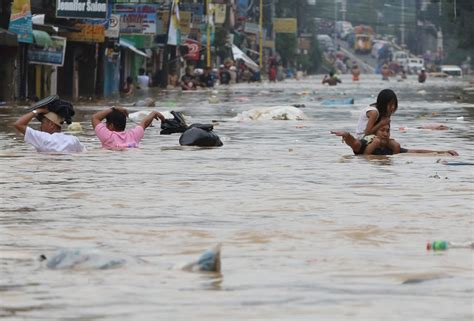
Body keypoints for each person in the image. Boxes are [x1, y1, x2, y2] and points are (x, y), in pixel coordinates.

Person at [331, 123, 458, 156]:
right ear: (375, 132)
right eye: (382, 130)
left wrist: (443, 151)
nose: (386, 134)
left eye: (388, 130)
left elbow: (415, 152)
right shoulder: (366, 143)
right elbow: (354, 143)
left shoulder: (390, 147)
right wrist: (346, 135)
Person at [14, 99, 85, 153]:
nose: (40, 127)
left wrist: (37, 111)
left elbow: (18, 124)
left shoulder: (42, 138)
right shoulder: (73, 140)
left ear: (51, 125)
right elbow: (84, 153)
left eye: (42, 123)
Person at [91, 106, 165, 149]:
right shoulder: (133, 136)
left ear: (111, 126)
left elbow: (95, 118)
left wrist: (113, 108)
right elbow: (144, 123)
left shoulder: (108, 137)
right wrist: (154, 113)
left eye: (106, 123)